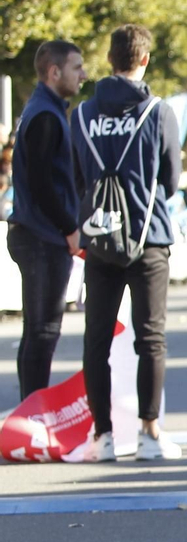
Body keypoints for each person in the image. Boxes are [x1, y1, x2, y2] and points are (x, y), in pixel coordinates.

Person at [68, 24, 184, 462]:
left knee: (96, 338)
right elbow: (170, 181)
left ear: (109, 60)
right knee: (150, 337)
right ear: (145, 60)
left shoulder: (81, 115)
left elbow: (79, 178)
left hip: (98, 238)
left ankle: (101, 436)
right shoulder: (159, 111)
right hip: (148, 237)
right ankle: (151, 432)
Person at [7, 39, 87, 402]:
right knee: (41, 331)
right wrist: (69, 227)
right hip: (41, 236)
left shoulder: (46, 109)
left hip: (41, 234)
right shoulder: (44, 115)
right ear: (54, 72)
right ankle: (32, 412)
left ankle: (32, 409)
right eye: (76, 68)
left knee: (41, 332)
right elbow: (41, 181)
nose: (83, 74)